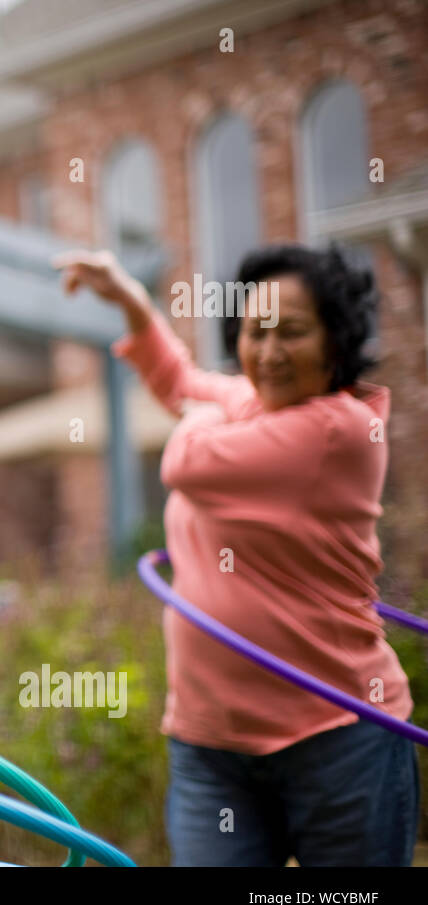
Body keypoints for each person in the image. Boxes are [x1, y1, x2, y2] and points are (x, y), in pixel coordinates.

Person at [53, 244, 418, 866]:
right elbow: (179, 381)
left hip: (337, 732)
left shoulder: (340, 428)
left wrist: (196, 417)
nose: (270, 353)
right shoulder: (248, 405)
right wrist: (131, 302)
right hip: (209, 743)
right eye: (255, 331)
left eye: (292, 333)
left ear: (337, 340)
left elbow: (184, 459)